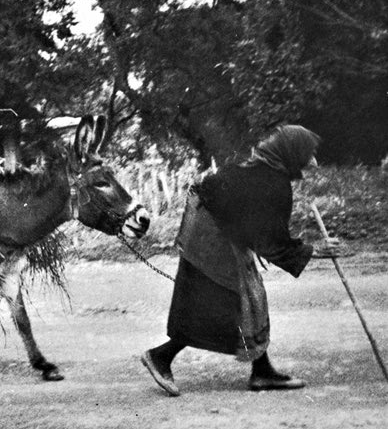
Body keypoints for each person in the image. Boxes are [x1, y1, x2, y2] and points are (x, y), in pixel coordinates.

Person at [141, 125, 336, 396]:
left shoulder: (260, 169)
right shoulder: (273, 184)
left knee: (250, 296)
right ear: (291, 154)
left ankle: (262, 371)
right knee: (222, 300)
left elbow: (261, 232)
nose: (311, 161)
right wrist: (314, 251)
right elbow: (270, 241)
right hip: (212, 236)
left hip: (211, 226)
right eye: (307, 154)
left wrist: (305, 250)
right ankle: (160, 356)